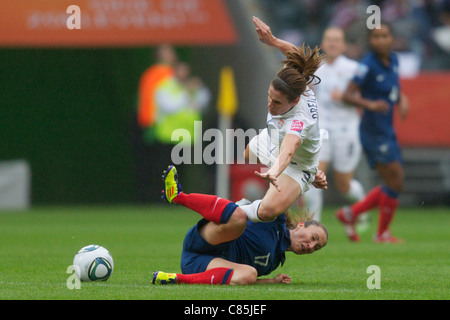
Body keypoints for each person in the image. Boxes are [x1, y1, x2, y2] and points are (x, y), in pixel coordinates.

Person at [152, 165, 328, 285]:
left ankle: (176, 279)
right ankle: (177, 196)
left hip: (199, 263)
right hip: (207, 239)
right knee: (238, 217)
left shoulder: (274, 262)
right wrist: (309, 176)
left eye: (316, 247)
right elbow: (282, 184)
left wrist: (270, 281)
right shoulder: (276, 217)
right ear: (300, 225)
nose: (311, 246)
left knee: (249, 273)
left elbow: (240, 277)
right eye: (313, 238)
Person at [236, 17, 328, 224]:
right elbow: (298, 57)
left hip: (297, 162)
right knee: (248, 154)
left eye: (277, 102)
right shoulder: (296, 84)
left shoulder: (300, 119)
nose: (270, 104)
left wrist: (274, 171)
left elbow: (289, 148)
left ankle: (235, 209)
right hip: (273, 138)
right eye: (269, 96)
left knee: (267, 212)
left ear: (295, 101)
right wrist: (273, 41)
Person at [336, 22, 409, 243]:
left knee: (394, 180)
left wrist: (402, 99)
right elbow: (347, 95)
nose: (381, 40)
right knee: (396, 179)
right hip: (372, 131)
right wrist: (370, 105)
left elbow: (394, 88)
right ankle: (380, 233)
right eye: (376, 36)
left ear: (391, 38)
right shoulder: (366, 65)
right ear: (370, 40)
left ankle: (351, 214)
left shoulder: (394, 60)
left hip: (387, 129)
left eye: (385, 35)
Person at [300, 26, 369, 230]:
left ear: (344, 45)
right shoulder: (316, 69)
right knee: (313, 176)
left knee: (344, 185)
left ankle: (361, 208)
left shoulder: (354, 69)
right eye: (329, 39)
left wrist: (348, 98)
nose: (332, 43)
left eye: (337, 40)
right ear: (322, 44)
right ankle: (315, 224)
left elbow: (367, 98)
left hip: (346, 131)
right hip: (322, 131)